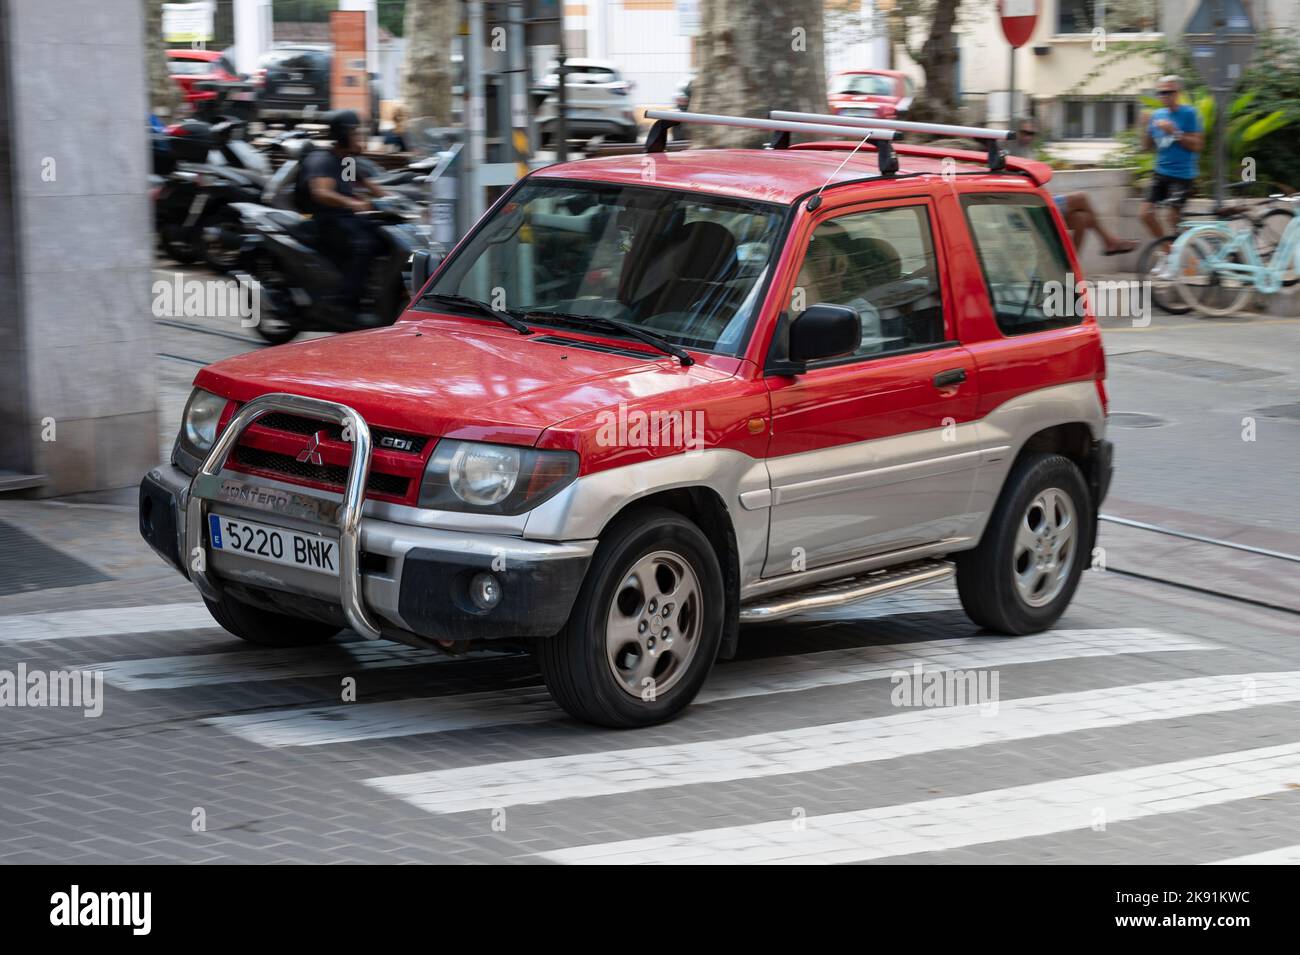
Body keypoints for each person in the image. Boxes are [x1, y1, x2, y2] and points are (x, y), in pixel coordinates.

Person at [298, 109, 386, 312]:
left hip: (346, 219)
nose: (360, 138)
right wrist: (353, 203)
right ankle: (345, 300)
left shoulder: (345, 160)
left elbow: (367, 184)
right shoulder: (323, 160)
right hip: (326, 221)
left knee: (382, 234)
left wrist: (394, 200)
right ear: (342, 135)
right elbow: (321, 192)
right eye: (356, 133)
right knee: (364, 244)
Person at [1011, 120, 1137, 256]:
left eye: (1032, 133)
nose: (1028, 136)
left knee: (1081, 218)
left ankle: (1070, 268)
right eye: (1025, 133)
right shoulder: (1012, 155)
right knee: (1081, 197)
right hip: (1032, 209)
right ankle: (1108, 241)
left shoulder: (1029, 152)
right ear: (1017, 133)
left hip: (1041, 203)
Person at [1140, 75, 1203, 238]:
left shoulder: (1189, 113)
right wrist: (1144, 128)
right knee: (1145, 214)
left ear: (1178, 93)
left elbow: (1197, 145)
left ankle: (1192, 251)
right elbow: (1146, 147)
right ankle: (1168, 253)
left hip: (1182, 176)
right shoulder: (1157, 115)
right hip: (1160, 173)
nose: (1164, 96)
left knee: (1172, 218)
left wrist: (1174, 132)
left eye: (1168, 92)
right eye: (1160, 93)